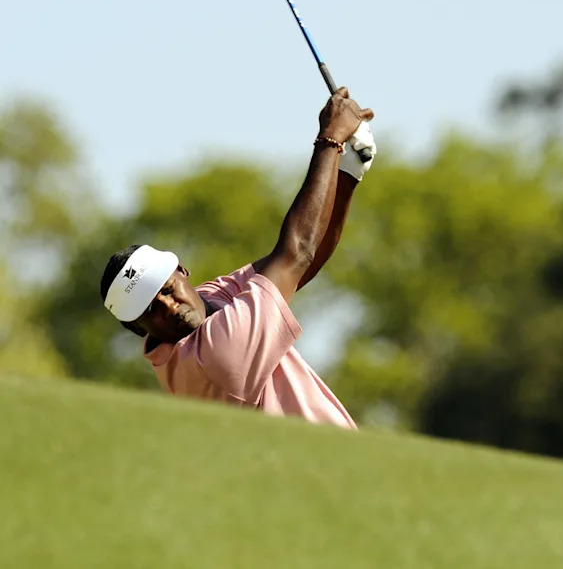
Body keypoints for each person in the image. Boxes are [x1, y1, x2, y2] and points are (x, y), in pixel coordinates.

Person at [98, 87, 375, 428]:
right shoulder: (213, 356)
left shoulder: (212, 300)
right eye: (151, 310)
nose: (170, 307)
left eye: (168, 290)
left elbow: (303, 261)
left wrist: (348, 172)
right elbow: (296, 253)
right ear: (136, 329)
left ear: (182, 271)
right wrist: (331, 138)